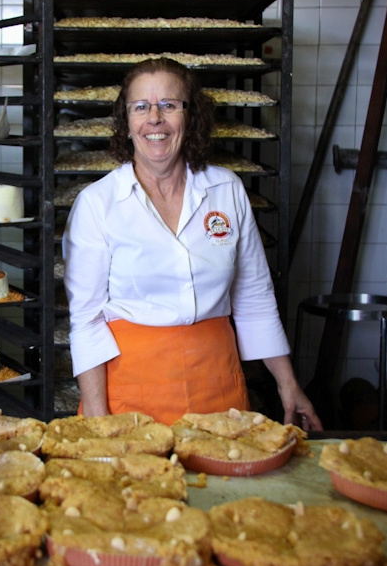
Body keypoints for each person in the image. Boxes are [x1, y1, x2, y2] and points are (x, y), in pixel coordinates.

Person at [62, 56, 322, 430]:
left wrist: (289, 385)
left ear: (191, 116)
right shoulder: (97, 203)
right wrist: (99, 420)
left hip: (217, 387)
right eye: (141, 107)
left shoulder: (226, 189)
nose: (155, 118)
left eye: (169, 105)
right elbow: (86, 320)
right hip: (130, 391)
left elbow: (254, 300)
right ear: (126, 122)